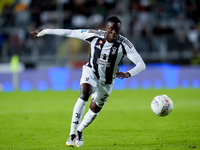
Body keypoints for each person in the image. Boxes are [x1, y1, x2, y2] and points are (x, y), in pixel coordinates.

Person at [31, 16, 146, 147]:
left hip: (107, 82)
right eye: (112, 29)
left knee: (94, 109)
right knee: (84, 94)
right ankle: (72, 133)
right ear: (107, 28)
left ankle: (80, 130)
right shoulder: (94, 35)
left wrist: (128, 73)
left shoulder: (124, 44)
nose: (114, 32)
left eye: (117, 30)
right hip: (91, 72)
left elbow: (141, 64)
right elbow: (70, 32)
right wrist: (46, 31)